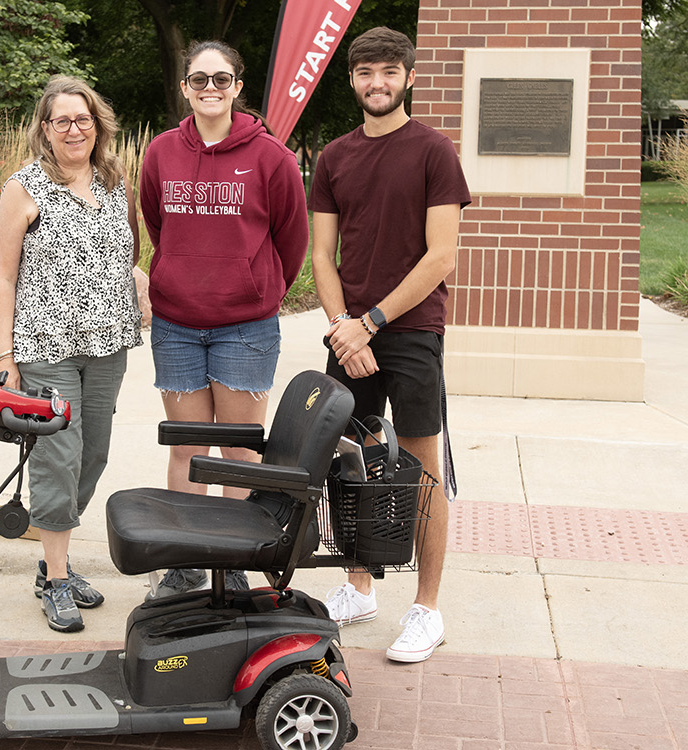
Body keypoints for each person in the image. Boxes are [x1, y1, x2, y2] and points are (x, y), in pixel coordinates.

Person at [309, 27, 470, 663]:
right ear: (352, 81)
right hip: (350, 331)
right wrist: (341, 326)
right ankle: (359, 587)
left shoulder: (434, 151)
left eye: (389, 72)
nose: (378, 83)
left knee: (421, 471)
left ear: (408, 77)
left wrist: (369, 322)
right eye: (366, 73)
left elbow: (441, 256)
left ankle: (427, 610)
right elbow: (322, 254)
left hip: (409, 333)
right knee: (354, 464)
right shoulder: (334, 157)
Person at [138, 41, 309, 598]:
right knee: (187, 448)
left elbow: (291, 241)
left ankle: (232, 561)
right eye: (197, 80)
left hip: (246, 328)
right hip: (177, 325)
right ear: (185, 88)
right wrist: (180, 275)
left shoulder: (272, 158)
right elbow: (157, 225)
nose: (209, 89)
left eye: (221, 79)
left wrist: (256, 288)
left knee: (237, 450)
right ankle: (185, 560)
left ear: (238, 86)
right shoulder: (160, 153)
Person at [0, 76, 145, 633]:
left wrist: (141, 285)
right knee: (58, 458)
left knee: (93, 454)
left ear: (97, 125)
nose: (75, 129)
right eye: (62, 121)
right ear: (45, 129)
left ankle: (53, 559)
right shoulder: (24, 187)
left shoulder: (114, 182)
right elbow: (4, 276)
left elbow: (123, 253)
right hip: (47, 348)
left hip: (107, 347)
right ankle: (55, 578)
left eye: (83, 120)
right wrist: (5, 355)